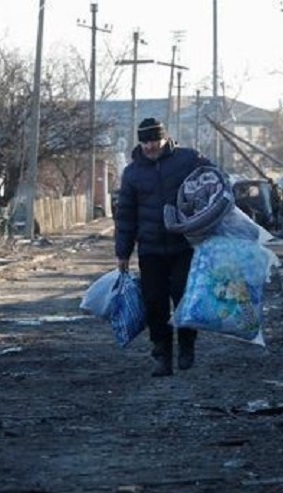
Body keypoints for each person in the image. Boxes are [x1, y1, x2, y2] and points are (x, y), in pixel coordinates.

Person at [114, 117, 216, 377]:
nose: (149, 146)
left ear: (165, 138)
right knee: (154, 303)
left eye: (154, 140)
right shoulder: (133, 172)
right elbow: (125, 214)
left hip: (185, 245)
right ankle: (162, 354)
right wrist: (122, 252)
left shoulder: (188, 159)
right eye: (145, 141)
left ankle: (186, 345)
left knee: (184, 297)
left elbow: (215, 182)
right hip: (150, 249)